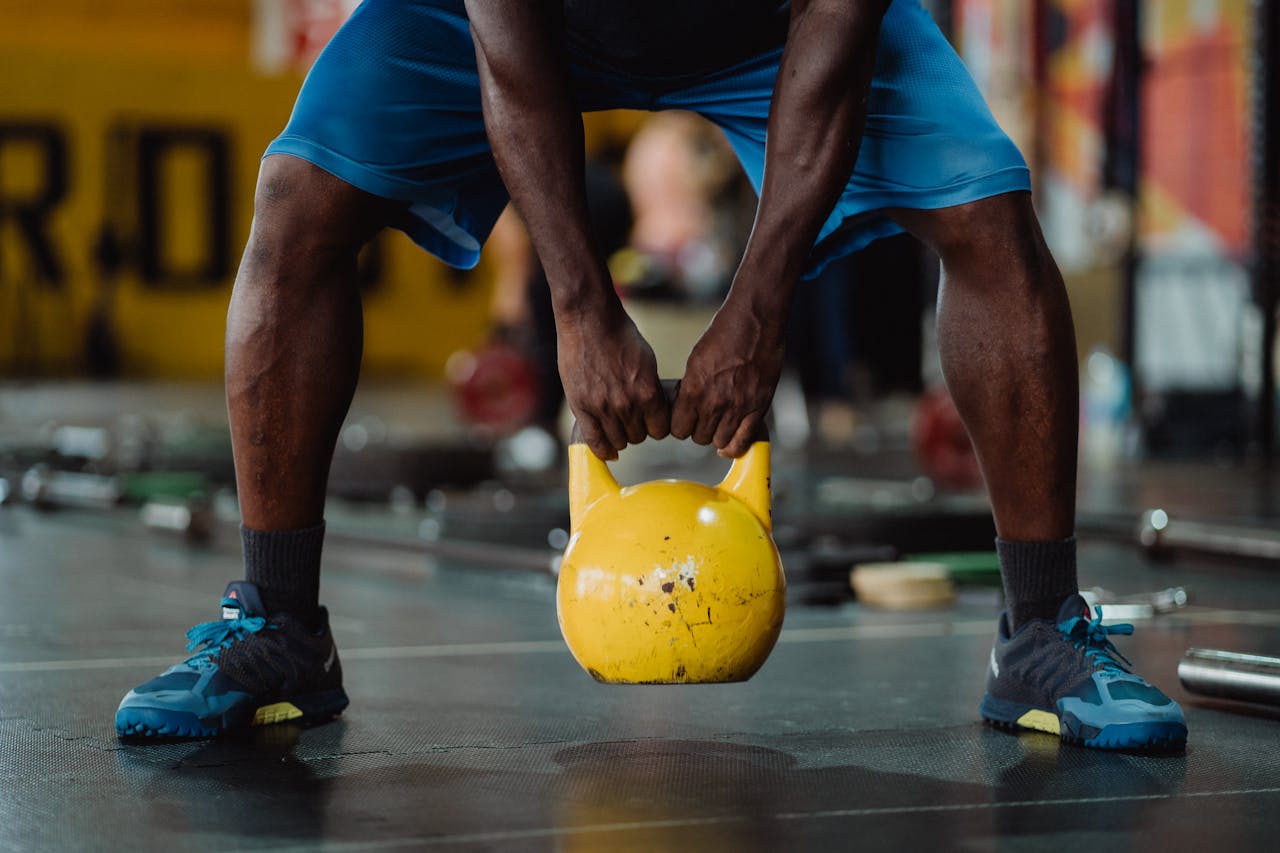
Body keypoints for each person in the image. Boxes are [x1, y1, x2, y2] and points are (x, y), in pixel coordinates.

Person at [116, 0, 1187, 750]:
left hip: (767, 19)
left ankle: (1040, 636)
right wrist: (576, 307)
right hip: (520, 20)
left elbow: (836, 28)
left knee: (985, 215)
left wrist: (760, 305)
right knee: (299, 198)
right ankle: (278, 626)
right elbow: (508, 52)